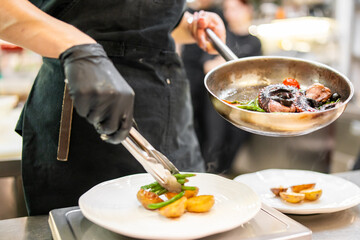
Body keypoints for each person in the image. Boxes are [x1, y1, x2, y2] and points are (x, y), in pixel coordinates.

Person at [0, 0, 226, 215]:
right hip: (81, 111)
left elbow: (145, 24)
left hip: (170, 112)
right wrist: (74, 46)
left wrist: (188, 24)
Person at [181, 0, 262, 174]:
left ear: (247, 9)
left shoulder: (255, 42)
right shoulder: (220, 37)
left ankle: (224, 174)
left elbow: (257, 75)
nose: (230, 13)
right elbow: (208, 66)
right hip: (217, 101)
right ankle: (207, 177)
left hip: (243, 103)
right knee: (213, 142)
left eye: (235, 8)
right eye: (227, 9)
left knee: (235, 141)